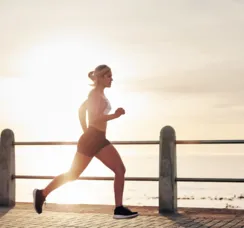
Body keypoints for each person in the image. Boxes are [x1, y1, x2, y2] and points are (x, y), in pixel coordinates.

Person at [33, 64, 139, 219]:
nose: (111, 79)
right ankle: (118, 209)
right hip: (94, 138)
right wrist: (114, 116)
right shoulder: (94, 95)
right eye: (108, 76)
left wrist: (86, 132)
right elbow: (95, 118)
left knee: (78, 174)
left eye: (111, 76)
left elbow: (81, 110)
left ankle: (42, 194)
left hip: (96, 138)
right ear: (101, 77)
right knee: (115, 170)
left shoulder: (99, 95)